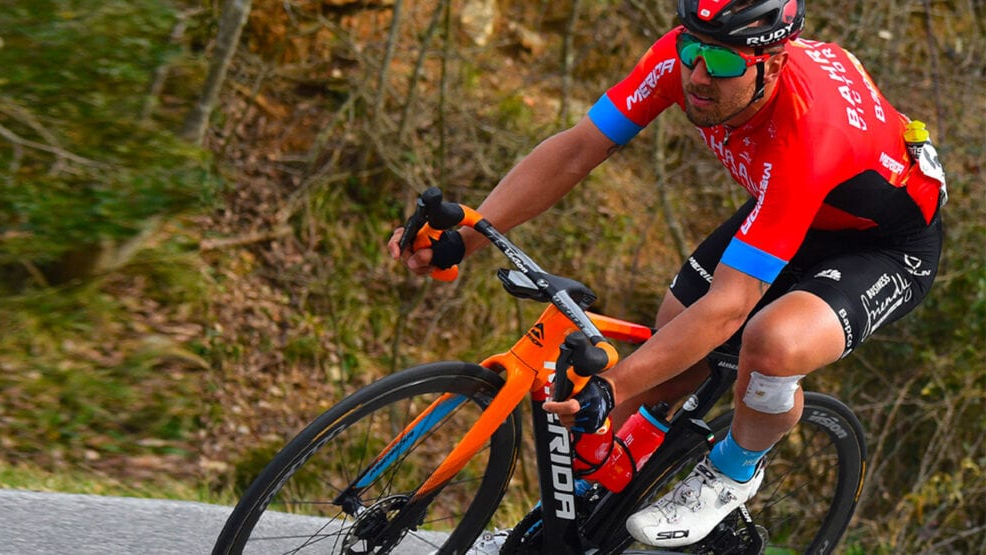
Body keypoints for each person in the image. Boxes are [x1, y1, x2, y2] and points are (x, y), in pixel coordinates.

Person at [388, 0, 946, 548]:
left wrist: (612, 385)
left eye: (723, 62)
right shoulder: (683, 64)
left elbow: (729, 304)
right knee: (672, 342)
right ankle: (578, 511)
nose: (699, 75)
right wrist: (468, 234)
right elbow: (578, 149)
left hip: (883, 244)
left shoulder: (809, 131)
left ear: (771, 64)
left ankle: (733, 470)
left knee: (770, 345)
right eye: (691, 50)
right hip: (790, 207)